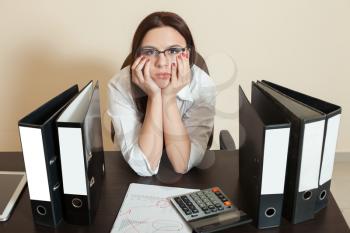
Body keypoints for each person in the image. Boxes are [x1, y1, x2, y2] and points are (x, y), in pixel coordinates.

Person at [108, 11, 216, 176]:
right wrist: (154, 96)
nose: (162, 62)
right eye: (150, 51)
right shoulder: (119, 85)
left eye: (173, 50)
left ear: (187, 54)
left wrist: (168, 97)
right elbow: (144, 167)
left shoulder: (203, 85)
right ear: (137, 55)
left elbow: (182, 164)